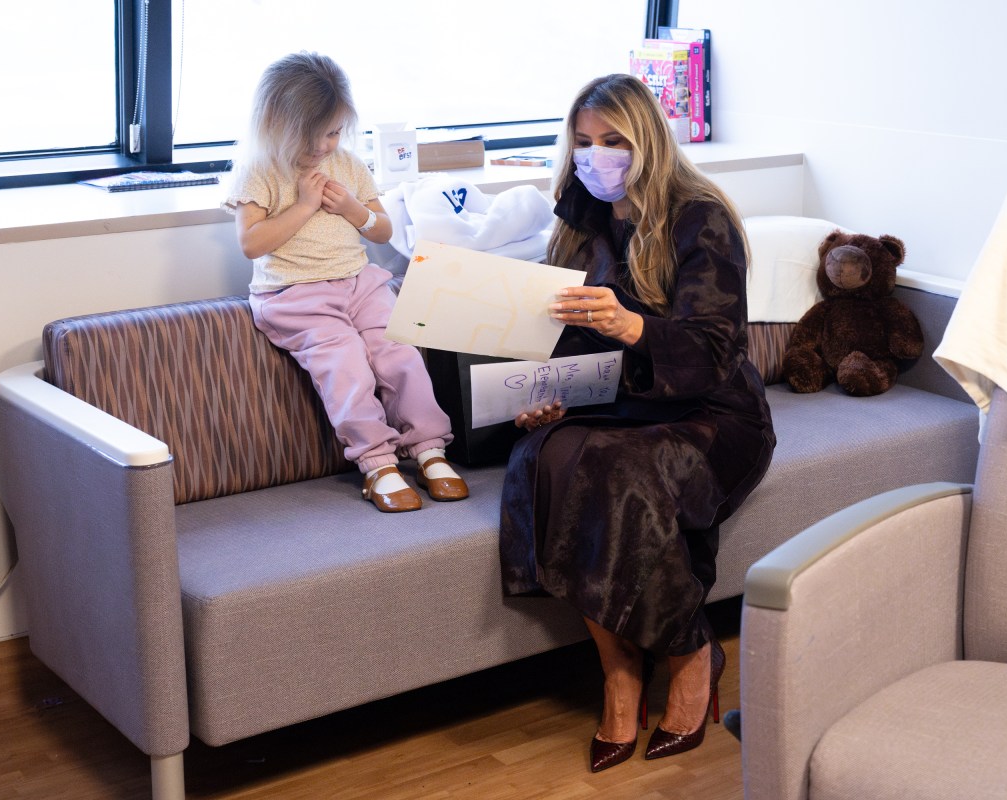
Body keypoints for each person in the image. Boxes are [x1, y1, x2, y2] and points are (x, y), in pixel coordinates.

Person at [499, 73, 776, 772]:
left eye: (614, 141)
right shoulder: (580, 218)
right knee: (539, 457)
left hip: (713, 412)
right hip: (620, 403)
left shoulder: (699, 217)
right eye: (584, 143)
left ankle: (686, 654)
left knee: (613, 472)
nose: (597, 157)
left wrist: (633, 327)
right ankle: (619, 669)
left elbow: (716, 351)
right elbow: (565, 340)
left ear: (646, 140)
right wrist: (551, 396)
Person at [224, 52, 468, 513]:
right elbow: (252, 244)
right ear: (275, 124)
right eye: (310, 137)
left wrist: (354, 209)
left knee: (401, 355)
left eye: (333, 133)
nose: (323, 147)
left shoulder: (348, 163)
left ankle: (430, 449)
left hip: (360, 283)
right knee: (348, 367)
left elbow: (382, 230)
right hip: (295, 295)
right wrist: (303, 205)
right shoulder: (259, 170)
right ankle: (377, 461)